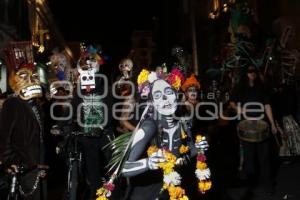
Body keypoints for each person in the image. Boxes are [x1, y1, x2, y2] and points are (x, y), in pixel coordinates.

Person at [120, 69, 209, 200]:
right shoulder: (149, 127)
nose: (164, 99)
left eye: (168, 92)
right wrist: (149, 163)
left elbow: (186, 151)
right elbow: (123, 168)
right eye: (157, 95)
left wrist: (198, 147)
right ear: (152, 103)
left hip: (176, 186)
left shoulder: (184, 119)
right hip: (149, 191)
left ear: (176, 94)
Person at [52, 44, 113, 200]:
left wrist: (103, 125)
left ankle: (114, 193)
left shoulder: (104, 89)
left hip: (104, 135)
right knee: (92, 173)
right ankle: (95, 194)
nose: (86, 73)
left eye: (90, 68)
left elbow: (110, 110)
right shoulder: (79, 91)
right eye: (84, 70)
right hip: (87, 137)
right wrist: (59, 125)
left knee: (112, 169)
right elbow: (70, 109)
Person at [0, 61, 47, 200]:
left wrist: (41, 162)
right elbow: (4, 135)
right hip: (22, 165)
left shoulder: (36, 104)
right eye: (24, 77)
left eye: (32, 76)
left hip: (37, 161)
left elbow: (39, 134)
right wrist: (10, 161)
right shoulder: (12, 104)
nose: (30, 81)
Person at [230, 64, 277, 197]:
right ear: (246, 73)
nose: (252, 73)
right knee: (249, 157)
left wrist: (273, 124)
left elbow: (267, 105)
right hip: (246, 126)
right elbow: (232, 102)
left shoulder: (262, 87)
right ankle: (251, 185)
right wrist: (240, 110)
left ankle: (268, 185)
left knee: (265, 157)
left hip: (262, 125)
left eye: (254, 71)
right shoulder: (240, 87)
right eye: (250, 71)